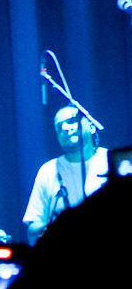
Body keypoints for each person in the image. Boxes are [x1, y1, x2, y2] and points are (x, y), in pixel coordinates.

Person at [22, 105, 108, 246]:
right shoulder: (48, 171)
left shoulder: (111, 160)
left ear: (92, 127)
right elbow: (33, 228)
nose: (65, 128)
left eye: (72, 121)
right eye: (59, 127)